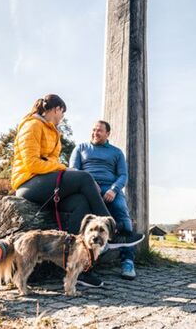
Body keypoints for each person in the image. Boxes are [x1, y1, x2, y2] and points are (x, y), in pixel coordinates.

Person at [11, 94, 143, 288]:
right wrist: (63, 168)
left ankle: (80, 268)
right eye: (62, 113)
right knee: (84, 177)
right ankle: (115, 231)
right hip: (28, 183)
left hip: (45, 180)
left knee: (81, 202)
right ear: (56, 109)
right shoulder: (32, 125)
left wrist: (57, 166)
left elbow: (50, 161)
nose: (62, 117)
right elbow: (32, 163)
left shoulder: (52, 131)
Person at [69, 120, 138, 280]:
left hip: (109, 188)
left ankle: (128, 261)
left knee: (121, 210)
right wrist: (90, 184)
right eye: (93, 130)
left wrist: (114, 190)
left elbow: (123, 176)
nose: (95, 133)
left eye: (99, 131)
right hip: (86, 187)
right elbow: (73, 171)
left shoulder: (116, 152)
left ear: (108, 134)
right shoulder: (80, 148)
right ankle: (82, 262)